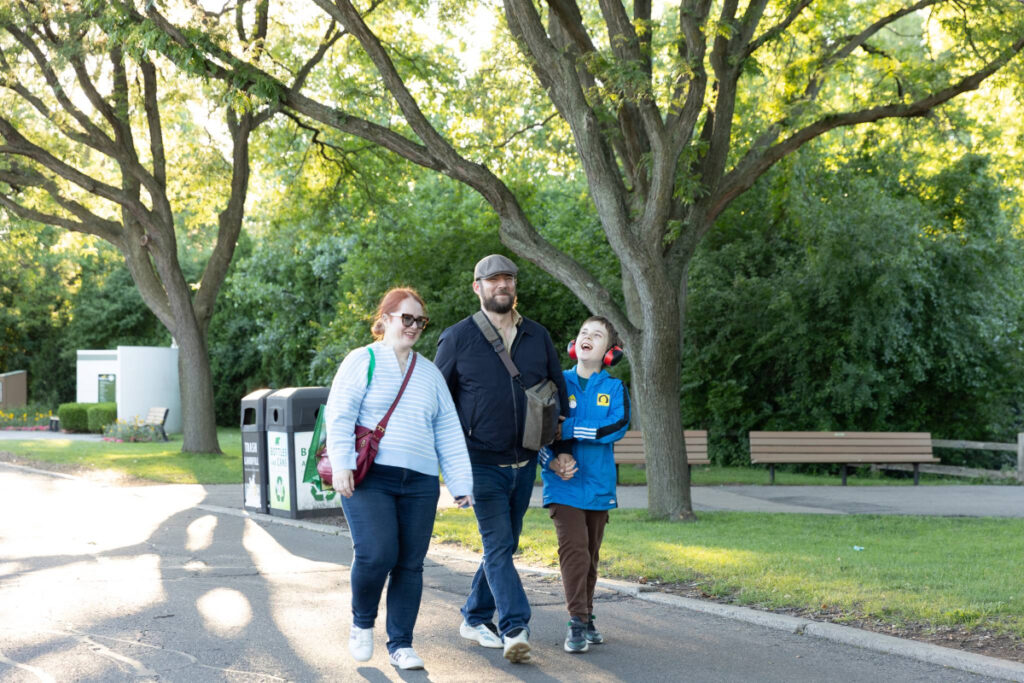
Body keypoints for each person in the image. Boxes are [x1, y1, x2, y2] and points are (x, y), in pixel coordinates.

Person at [325, 287, 473, 671]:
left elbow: (448, 429)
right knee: (377, 553)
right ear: (385, 319)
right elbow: (340, 414)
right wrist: (341, 464)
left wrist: (460, 483)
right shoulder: (363, 360)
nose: (413, 326)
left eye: (420, 321)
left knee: (410, 563)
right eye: (406, 318)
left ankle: (402, 643)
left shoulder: (429, 373)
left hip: (420, 481)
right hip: (370, 476)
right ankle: (362, 623)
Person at [434, 254, 569, 664]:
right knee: (498, 543)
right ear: (477, 287)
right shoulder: (457, 338)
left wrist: (558, 451)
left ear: (515, 287)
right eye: (492, 280)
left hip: (524, 463)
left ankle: (474, 616)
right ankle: (515, 627)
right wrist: (451, 472)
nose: (501, 285)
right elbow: (437, 404)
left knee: (504, 545)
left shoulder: (537, 336)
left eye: (507, 279)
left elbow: (556, 397)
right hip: (479, 463)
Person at [539, 315, 630, 653]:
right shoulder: (555, 383)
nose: (587, 337)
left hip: (599, 485)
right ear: (574, 345)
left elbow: (616, 426)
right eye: (582, 333)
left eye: (597, 335)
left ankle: (587, 614)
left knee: (590, 554)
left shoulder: (615, 388)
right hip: (563, 485)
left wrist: (573, 428)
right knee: (574, 550)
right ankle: (577, 620)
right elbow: (541, 431)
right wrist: (551, 462)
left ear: (610, 352)